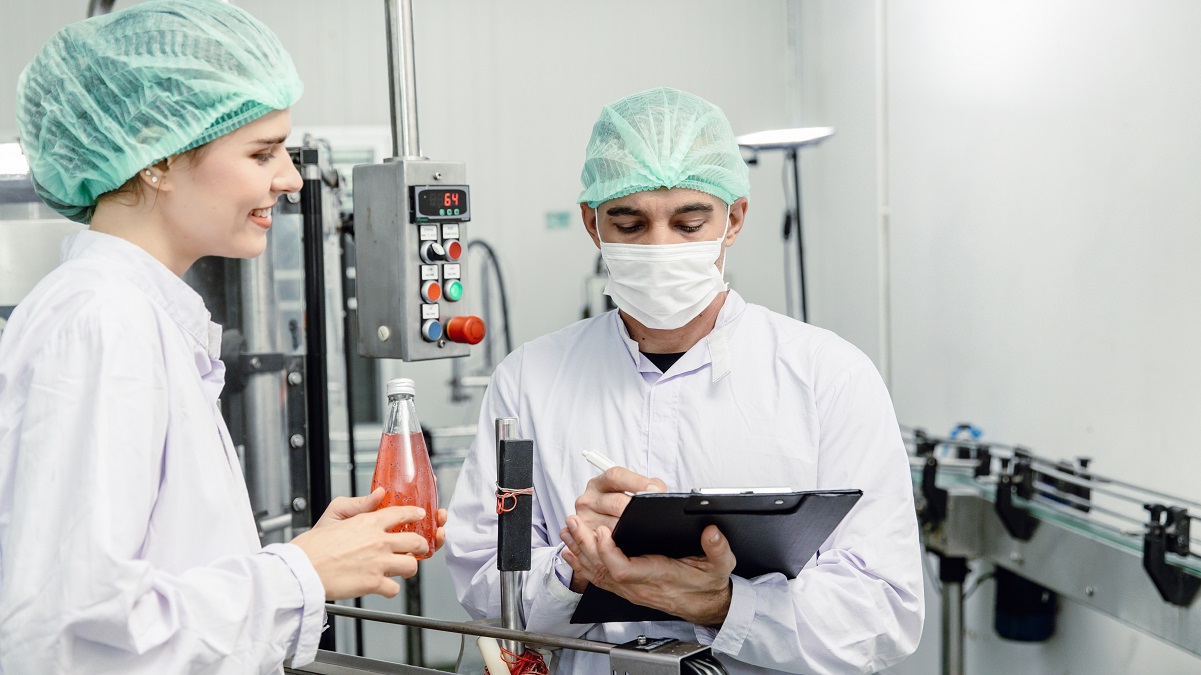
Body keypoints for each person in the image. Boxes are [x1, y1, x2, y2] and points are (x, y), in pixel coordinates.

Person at [0, 2, 445, 672]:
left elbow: (149, 575)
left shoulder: (137, 314)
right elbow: (70, 637)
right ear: (155, 157)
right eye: (262, 152)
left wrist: (308, 557)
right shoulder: (102, 322)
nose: (290, 179)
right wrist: (300, 572)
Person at [444, 87, 923, 674]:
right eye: (630, 223)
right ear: (593, 224)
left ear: (734, 219)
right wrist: (573, 566)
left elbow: (884, 611)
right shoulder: (531, 380)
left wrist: (724, 605)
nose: (661, 247)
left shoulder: (829, 378)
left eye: (689, 222)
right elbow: (483, 584)